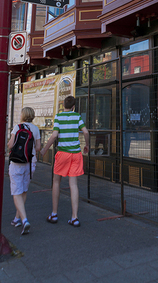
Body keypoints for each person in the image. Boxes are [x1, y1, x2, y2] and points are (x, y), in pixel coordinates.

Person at [40, 95, 90, 227]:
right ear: (73, 106)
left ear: (63, 105)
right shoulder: (77, 116)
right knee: (73, 184)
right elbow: (86, 132)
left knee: (56, 182)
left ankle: (54, 214)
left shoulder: (58, 117)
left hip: (62, 153)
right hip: (75, 153)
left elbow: (54, 135)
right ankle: (74, 217)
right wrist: (87, 145)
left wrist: (45, 149)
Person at [7, 107, 41, 235]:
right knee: (24, 190)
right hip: (30, 162)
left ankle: (24, 219)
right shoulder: (36, 129)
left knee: (16, 192)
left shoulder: (17, 127)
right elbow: (37, 147)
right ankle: (17, 218)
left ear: (22, 115)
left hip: (16, 162)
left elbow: (10, 145)